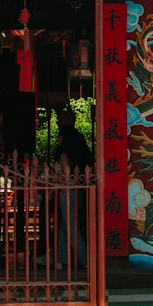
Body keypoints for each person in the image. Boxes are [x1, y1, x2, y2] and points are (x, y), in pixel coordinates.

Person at [41, 107, 92, 269]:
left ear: (63, 121)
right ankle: (59, 259)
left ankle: (86, 261)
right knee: (65, 224)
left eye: (59, 119)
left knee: (70, 226)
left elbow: (63, 160)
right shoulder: (80, 138)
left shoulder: (64, 136)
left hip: (67, 186)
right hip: (79, 184)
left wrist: (56, 185)